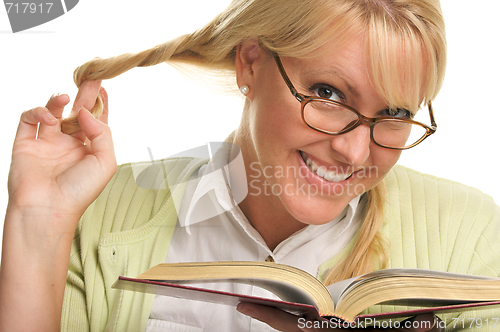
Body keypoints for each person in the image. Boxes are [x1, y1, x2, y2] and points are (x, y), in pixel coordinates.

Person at [1, 0, 499, 331]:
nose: (353, 152)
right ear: (251, 62)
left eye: (394, 114)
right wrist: (38, 221)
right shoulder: (98, 213)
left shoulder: (471, 238)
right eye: (328, 94)